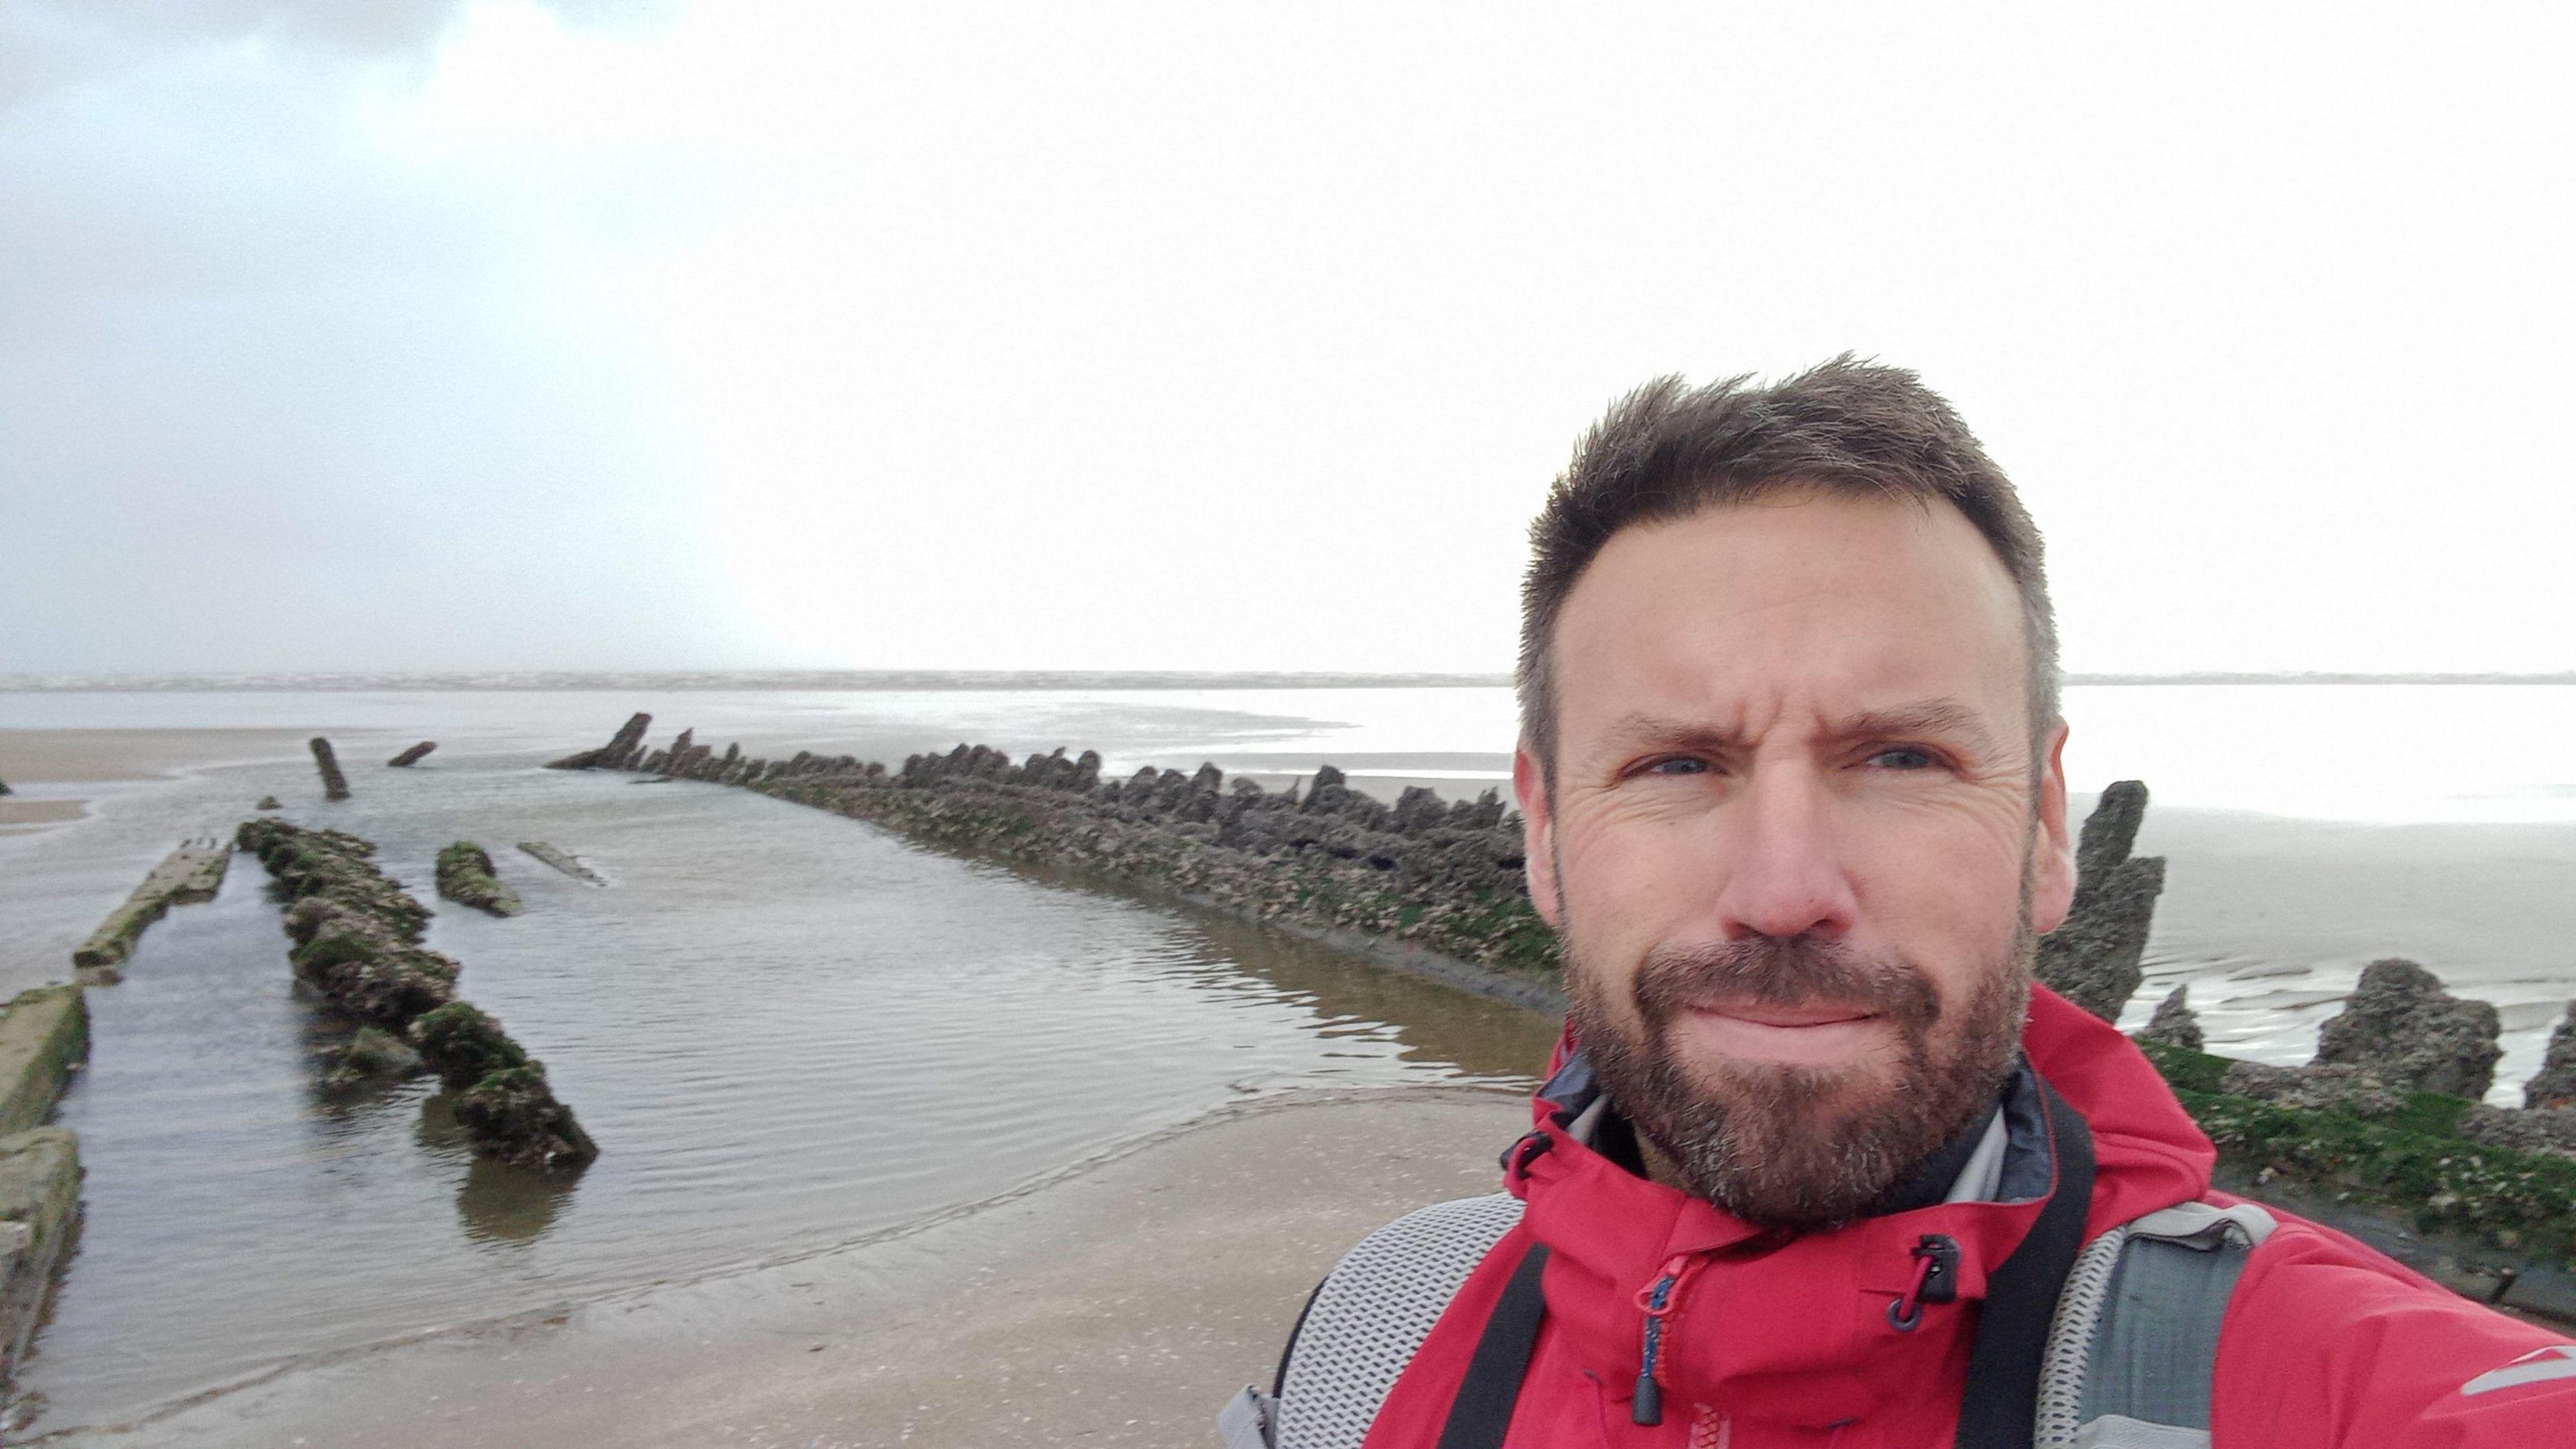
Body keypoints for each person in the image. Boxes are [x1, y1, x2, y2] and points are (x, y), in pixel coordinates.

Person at [1221, 360, 2576, 1448]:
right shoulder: (1374, 1338)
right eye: (1676, 763)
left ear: (2048, 824)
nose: (1786, 892)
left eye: (1903, 758)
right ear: (1546, 831)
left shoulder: (2327, 1386)